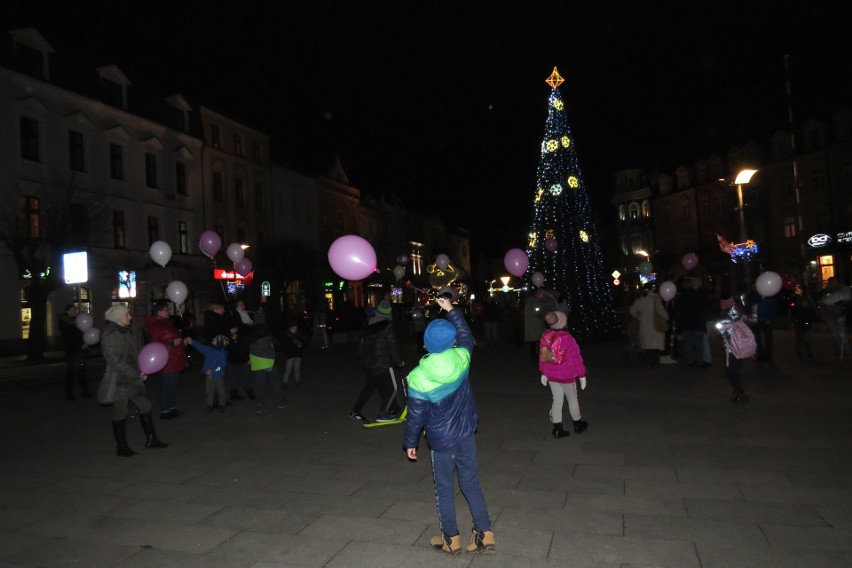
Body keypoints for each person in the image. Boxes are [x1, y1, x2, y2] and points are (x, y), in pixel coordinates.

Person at [403, 296, 494, 556]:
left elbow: (415, 416)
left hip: (442, 440)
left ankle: (451, 538)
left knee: (444, 486)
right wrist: (452, 310)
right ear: (452, 342)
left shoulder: (418, 376)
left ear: (425, 345)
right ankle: (485, 534)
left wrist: (410, 442)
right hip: (466, 432)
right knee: (471, 482)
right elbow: (466, 335)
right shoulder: (462, 357)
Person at [100, 305, 167, 457]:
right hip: (120, 380)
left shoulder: (125, 331)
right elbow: (114, 361)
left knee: (146, 406)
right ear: (118, 317)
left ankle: (151, 440)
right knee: (120, 411)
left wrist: (142, 370)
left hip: (132, 378)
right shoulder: (111, 334)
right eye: (127, 315)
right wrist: (137, 374)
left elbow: (134, 355)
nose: (130, 317)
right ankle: (122, 447)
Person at [350, 301, 405, 422]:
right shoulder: (387, 326)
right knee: (392, 388)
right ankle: (383, 414)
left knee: (371, 387)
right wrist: (399, 361)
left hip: (369, 363)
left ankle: (356, 411)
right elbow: (392, 345)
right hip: (382, 362)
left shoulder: (370, 324)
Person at [539, 310, 588, 438]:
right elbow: (576, 358)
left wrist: (544, 373)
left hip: (552, 377)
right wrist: (582, 375)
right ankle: (578, 424)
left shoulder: (546, 337)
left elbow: (544, 358)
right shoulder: (568, 339)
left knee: (557, 400)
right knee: (572, 400)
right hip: (567, 376)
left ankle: (557, 429)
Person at [144, 301, 188, 419]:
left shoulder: (166, 323)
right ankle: (165, 410)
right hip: (166, 360)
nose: (168, 311)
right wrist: (172, 342)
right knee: (167, 385)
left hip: (174, 359)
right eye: (166, 310)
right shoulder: (156, 325)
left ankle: (171, 407)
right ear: (159, 312)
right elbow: (155, 343)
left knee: (173, 384)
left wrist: (181, 342)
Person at [247, 301, 287, 414]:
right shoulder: (268, 330)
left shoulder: (250, 332)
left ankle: (260, 406)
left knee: (259, 385)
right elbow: (278, 342)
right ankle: (282, 401)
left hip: (256, 361)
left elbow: (244, 346)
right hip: (269, 360)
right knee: (275, 382)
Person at [716, 296, 750, 403]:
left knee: (731, 371)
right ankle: (738, 390)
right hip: (735, 346)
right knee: (734, 370)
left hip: (735, 346)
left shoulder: (732, 313)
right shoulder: (733, 312)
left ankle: (737, 391)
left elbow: (728, 330)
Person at [628, 284, 669, 368]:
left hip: (644, 325)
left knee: (647, 345)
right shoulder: (656, 300)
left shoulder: (640, 300)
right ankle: (653, 361)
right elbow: (662, 312)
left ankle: (649, 361)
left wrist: (639, 317)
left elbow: (632, 311)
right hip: (655, 325)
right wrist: (666, 317)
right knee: (654, 345)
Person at [185, 337, 228, 412]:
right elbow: (201, 347)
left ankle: (222, 404)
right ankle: (209, 405)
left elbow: (222, 365)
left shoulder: (222, 353)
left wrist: (213, 370)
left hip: (218, 376)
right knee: (209, 391)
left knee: (220, 391)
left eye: (215, 340)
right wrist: (192, 342)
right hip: (209, 375)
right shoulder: (209, 349)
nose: (212, 340)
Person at [57, 303, 91, 400]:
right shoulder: (64, 322)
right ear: (67, 311)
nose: (75, 311)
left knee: (82, 371)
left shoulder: (78, 321)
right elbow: (69, 337)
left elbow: (84, 333)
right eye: (72, 310)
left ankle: (85, 391)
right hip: (72, 351)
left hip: (81, 350)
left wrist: (86, 342)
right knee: (71, 372)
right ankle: (69, 394)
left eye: (75, 310)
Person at [677, 278, 711, 367]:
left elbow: (678, 310)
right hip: (698, 323)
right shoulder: (697, 294)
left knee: (688, 344)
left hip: (686, 324)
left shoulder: (680, 297)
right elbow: (706, 304)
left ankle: (691, 361)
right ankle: (700, 362)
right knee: (699, 344)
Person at [818, 277, 851, 358]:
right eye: (831, 282)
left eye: (834, 282)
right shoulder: (826, 291)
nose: (833, 284)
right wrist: (823, 315)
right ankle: (839, 350)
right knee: (835, 335)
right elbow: (823, 303)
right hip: (830, 316)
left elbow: (847, 303)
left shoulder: (842, 290)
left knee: (841, 334)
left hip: (840, 315)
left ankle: (846, 351)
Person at [792, 285, 817, 359]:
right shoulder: (803, 299)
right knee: (802, 336)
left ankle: (805, 351)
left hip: (803, 319)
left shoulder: (804, 299)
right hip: (802, 319)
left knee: (803, 336)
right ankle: (805, 351)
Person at [280, 319, 304, 388]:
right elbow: (286, 345)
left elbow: (302, 344)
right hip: (290, 356)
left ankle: (297, 381)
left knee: (297, 369)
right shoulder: (287, 336)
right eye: (293, 328)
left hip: (298, 356)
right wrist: (293, 343)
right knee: (288, 370)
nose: (294, 330)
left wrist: (300, 346)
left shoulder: (298, 335)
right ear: (289, 328)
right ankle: (284, 382)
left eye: (296, 328)